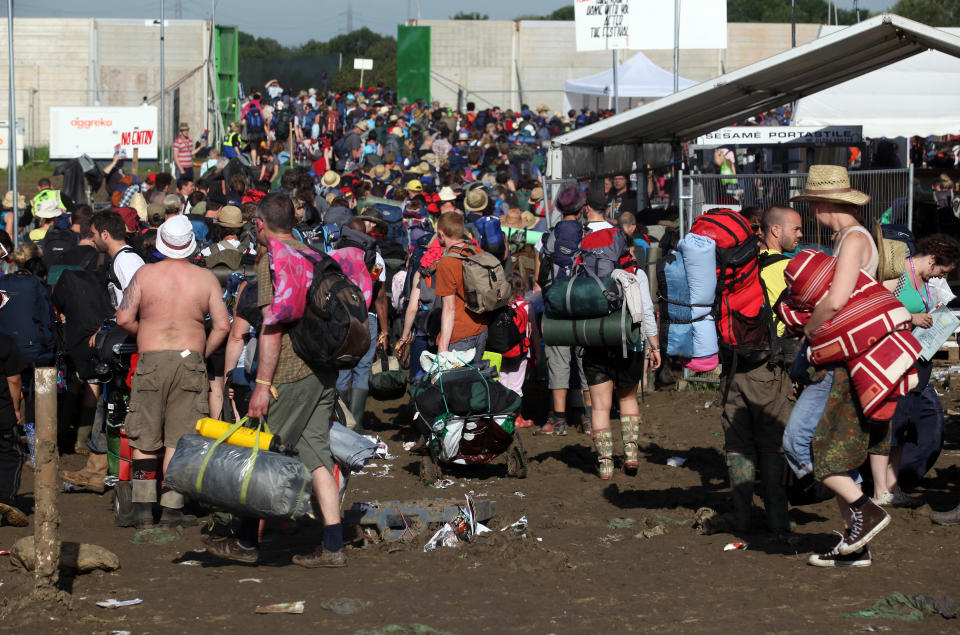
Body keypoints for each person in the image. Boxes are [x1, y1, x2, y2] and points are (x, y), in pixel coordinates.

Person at [204, 193, 346, 567]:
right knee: (317, 457)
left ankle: (247, 542)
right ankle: (334, 545)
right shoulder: (314, 255)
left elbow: (272, 327)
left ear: (261, 225)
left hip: (291, 373)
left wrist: (262, 385)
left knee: (258, 453)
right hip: (325, 369)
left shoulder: (273, 262)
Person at [781, 165, 890, 568]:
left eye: (812, 205)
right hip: (851, 357)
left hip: (839, 358)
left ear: (827, 203)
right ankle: (856, 542)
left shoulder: (853, 240)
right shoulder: (853, 237)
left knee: (798, 442)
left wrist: (806, 330)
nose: (811, 214)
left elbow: (838, 299)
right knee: (835, 452)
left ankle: (867, 509)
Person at [116, 215, 229, 529]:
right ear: (190, 245)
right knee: (178, 440)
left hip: (151, 358)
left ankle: (141, 510)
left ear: (162, 242)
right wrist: (200, 353)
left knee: (144, 437)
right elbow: (222, 326)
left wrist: (146, 333)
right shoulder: (205, 279)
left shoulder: (144, 274)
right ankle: (171, 510)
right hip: (190, 359)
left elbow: (123, 317)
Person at [720, 205, 802, 534]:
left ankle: (741, 518)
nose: (800, 235)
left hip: (732, 364)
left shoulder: (739, 264)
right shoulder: (788, 268)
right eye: (795, 229)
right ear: (775, 230)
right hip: (769, 368)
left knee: (737, 443)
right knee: (771, 444)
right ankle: (777, 519)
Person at [578, 189, 660, 479]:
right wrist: (654, 345)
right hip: (628, 342)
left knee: (600, 406)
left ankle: (604, 465)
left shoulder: (585, 270)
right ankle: (632, 455)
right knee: (627, 400)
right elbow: (646, 310)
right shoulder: (634, 273)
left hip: (595, 342)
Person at [876, 234, 959, 509]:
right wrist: (911, 318)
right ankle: (879, 490)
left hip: (916, 361)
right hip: (892, 361)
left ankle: (893, 487)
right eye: (941, 270)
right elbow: (876, 313)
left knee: (904, 427)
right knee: (887, 425)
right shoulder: (897, 275)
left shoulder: (926, 281)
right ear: (933, 259)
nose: (939, 277)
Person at [435, 212, 489, 364]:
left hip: (459, 335)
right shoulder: (478, 252)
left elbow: (449, 309)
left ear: (441, 233)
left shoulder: (447, 263)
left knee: (455, 385)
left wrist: (443, 349)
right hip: (482, 329)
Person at [91, 210, 145, 309]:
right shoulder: (121, 258)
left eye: (93, 234)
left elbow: (138, 301)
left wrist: (124, 321)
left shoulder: (126, 260)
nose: (92, 239)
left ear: (104, 234)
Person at [0, 332, 26, 527]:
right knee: (11, 454)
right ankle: (4, 501)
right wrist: (16, 408)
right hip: (2, 413)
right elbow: (14, 379)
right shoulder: (4, 341)